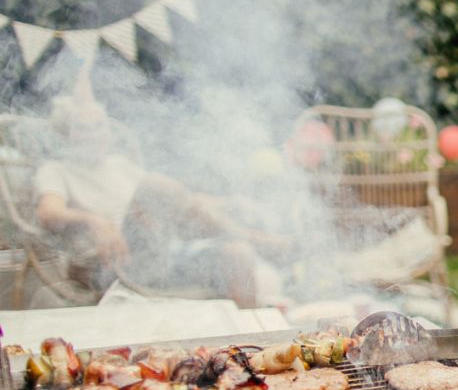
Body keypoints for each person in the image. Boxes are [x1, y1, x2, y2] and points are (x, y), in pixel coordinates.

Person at [34, 91, 283, 308]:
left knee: (236, 253)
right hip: (109, 265)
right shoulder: (56, 169)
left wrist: (229, 201)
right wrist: (93, 220)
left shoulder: (119, 166)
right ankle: (249, 236)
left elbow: (179, 200)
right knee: (154, 185)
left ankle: (254, 348)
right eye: (83, 128)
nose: (94, 134)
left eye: (100, 125)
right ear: (66, 134)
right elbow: (48, 212)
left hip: (155, 258)